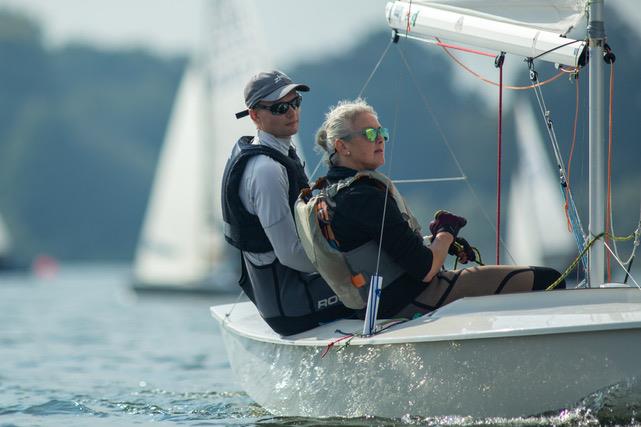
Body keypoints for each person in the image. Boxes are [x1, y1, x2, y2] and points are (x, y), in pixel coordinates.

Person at [298, 98, 564, 320]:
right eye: (370, 134)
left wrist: (436, 242)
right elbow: (425, 269)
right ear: (341, 146)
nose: (380, 140)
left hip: (379, 304)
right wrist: (447, 231)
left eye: (382, 133)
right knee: (549, 280)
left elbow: (381, 251)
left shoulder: (329, 192)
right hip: (413, 297)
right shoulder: (363, 195)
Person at [221, 70, 354, 335]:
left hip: (293, 288)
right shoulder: (266, 171)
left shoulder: (279, 152)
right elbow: (290, 253)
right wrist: (349, 267)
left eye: (296, 103)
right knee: (384, 278)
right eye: (280, 107)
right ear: (255, 115)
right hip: (290, 306)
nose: (291, 112)